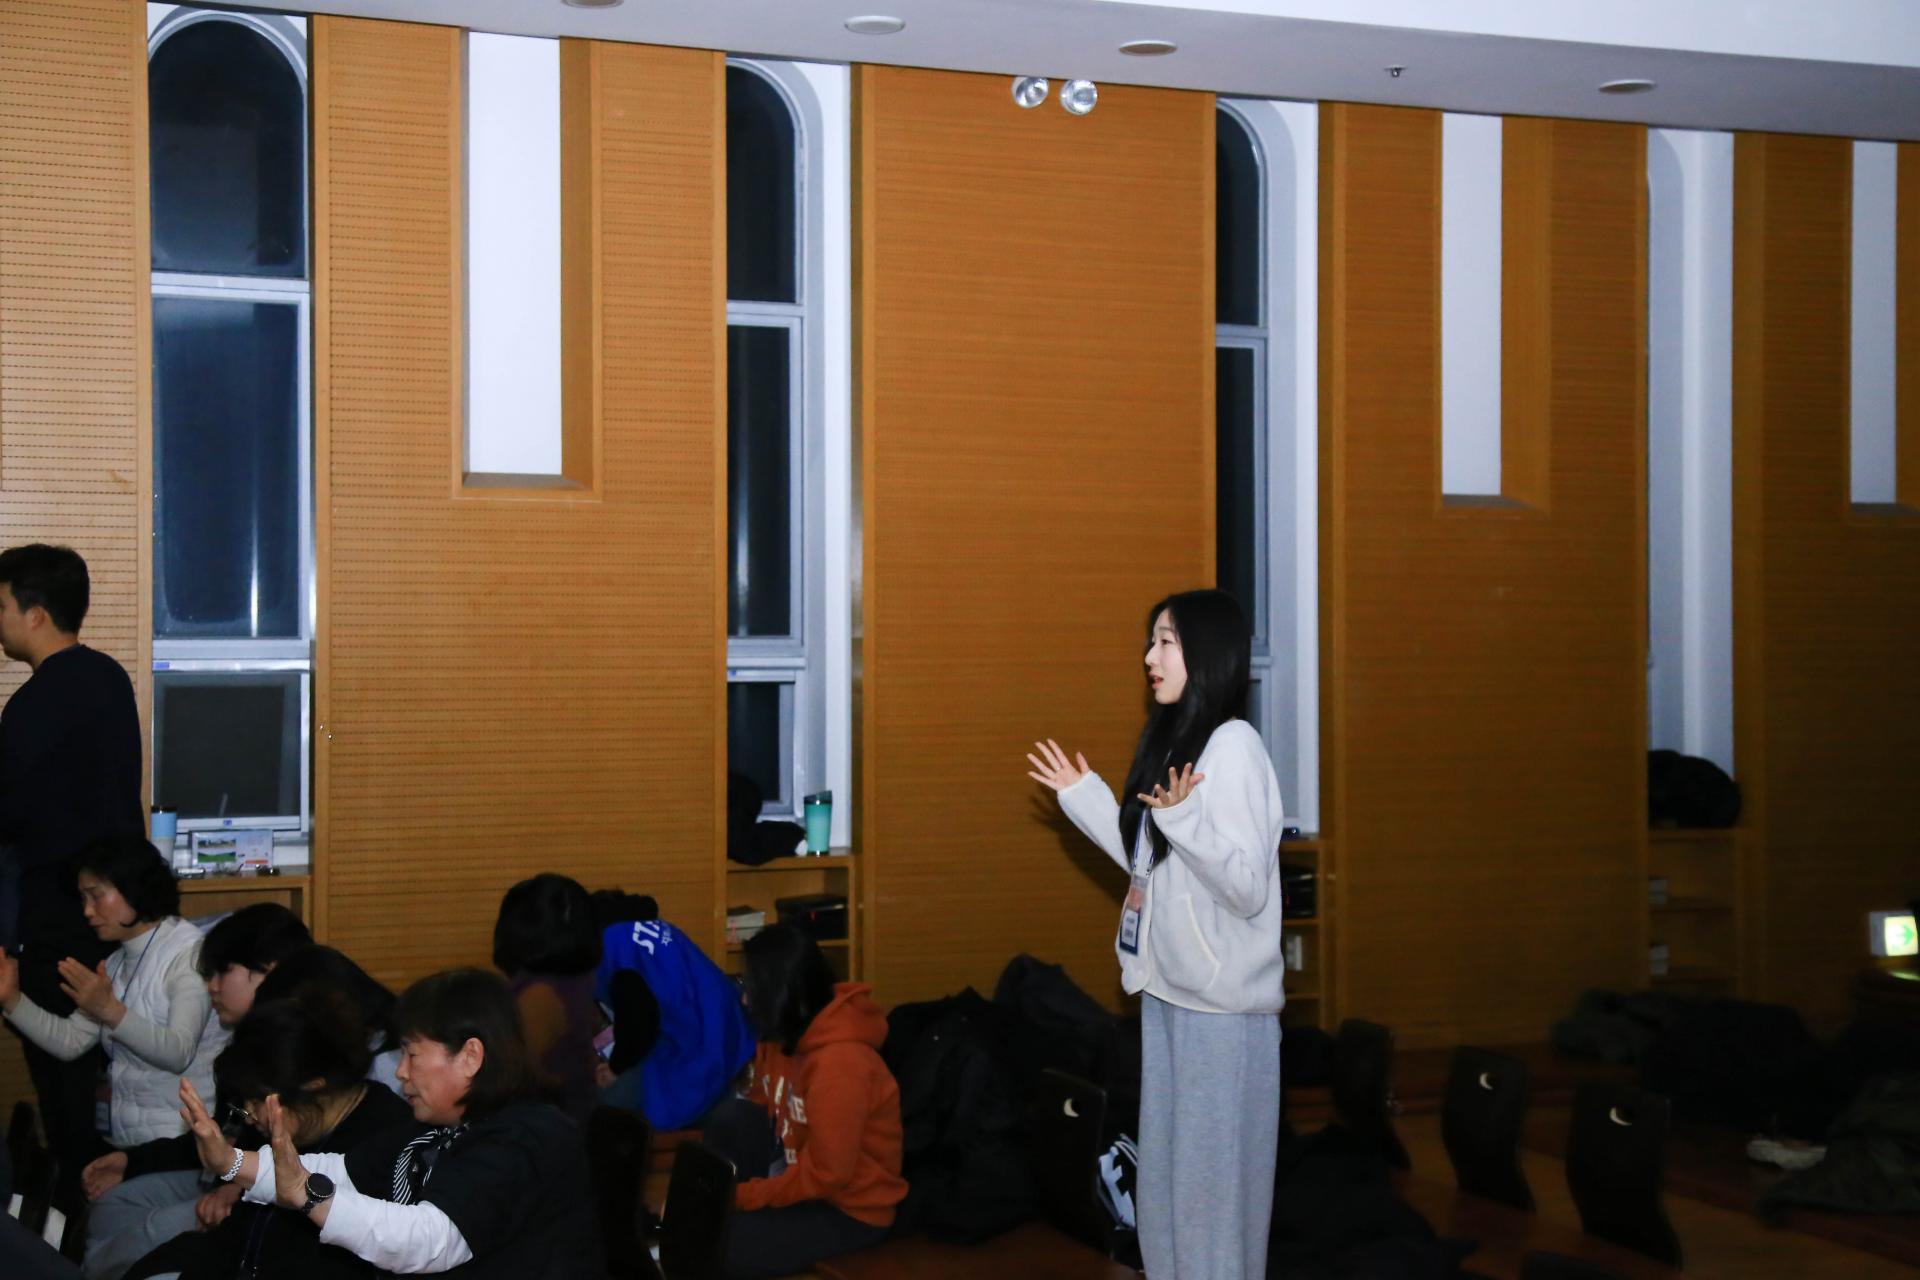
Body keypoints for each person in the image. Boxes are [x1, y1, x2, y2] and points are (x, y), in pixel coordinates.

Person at [1026, 588, 1286, 1280]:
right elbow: (1154, 867)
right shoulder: (1178, 740)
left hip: (1223, 1013)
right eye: (1151, 641)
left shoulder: (1235, 747)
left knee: (1210, 1203)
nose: (1150, 656)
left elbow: (1246, 888)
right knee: (1167, 1195)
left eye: (1166, 641)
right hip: (1170, 994)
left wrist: (1184, 822)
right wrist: (1085, 798)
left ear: (1207, 652)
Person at [180, 967, 603, 1280]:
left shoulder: (525, 1137)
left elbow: (428, 1240)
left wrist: (308, 1197)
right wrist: (230, 1162)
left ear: (470, 1056)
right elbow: (339, 1172)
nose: (400, 1072)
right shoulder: (440, 1128)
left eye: (412, 1054)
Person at [0, 544, 146, 1189]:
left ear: (35, 614)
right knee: (93, 1073)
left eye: (1, 605)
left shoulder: (37, 703)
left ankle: (75, 1202)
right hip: (114, 908)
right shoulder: (108, 678)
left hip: (57, 913)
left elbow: (8, 813)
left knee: (62, 1079)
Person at [78, 905, 315, 1279]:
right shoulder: (246, 1044)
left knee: (145, 1237)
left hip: (262, 1202)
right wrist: (131, 1160)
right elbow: (222, 1135)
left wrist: (242, 1185)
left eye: (223, 972)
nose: (212, 987)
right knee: (111, 1207)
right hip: (224, 1178)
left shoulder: (300, 1049)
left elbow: (312, 1159)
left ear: (269, 971)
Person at [121, 989, 413, 1280]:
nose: (250, 1115)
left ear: (312, 1087)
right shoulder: (295, 1124)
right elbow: (239, 1235)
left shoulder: (386, 1142)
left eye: (256, 1100)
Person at [701, 923, 905, 1280]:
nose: (746, 1000)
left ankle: (732, 1223)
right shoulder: (780, 1038)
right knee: (732, 1117)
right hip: (804, 1176)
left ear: (782, 993)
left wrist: (743, 1197)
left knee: (723, 1241)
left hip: (849, 1208)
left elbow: (827, 1176)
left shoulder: (841, 1066)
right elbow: (761, 1104)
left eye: (753, 989)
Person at [0, 834, 224, 1157]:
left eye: (96, 895)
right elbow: (70, 1041)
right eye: (82, 898)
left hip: (183, 1141)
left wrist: (109, 1010)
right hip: (127, 1140)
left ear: (134, 888)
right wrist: (11, 1000)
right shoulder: (119, 961)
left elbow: (178, 1052)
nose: (87, 910)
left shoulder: (188, 953)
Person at [592, 889, 756, 1132]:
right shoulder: (642, 926)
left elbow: (640, 1023)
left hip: (702, 1051)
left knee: (605, 1105)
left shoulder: (615, 951)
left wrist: (615, 1068)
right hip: (730, 1026)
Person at [491, 874, 602, 1122]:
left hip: (546, 1124)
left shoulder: (540, 993)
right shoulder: (575, 978)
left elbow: (524, 1074)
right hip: (568, 1116)